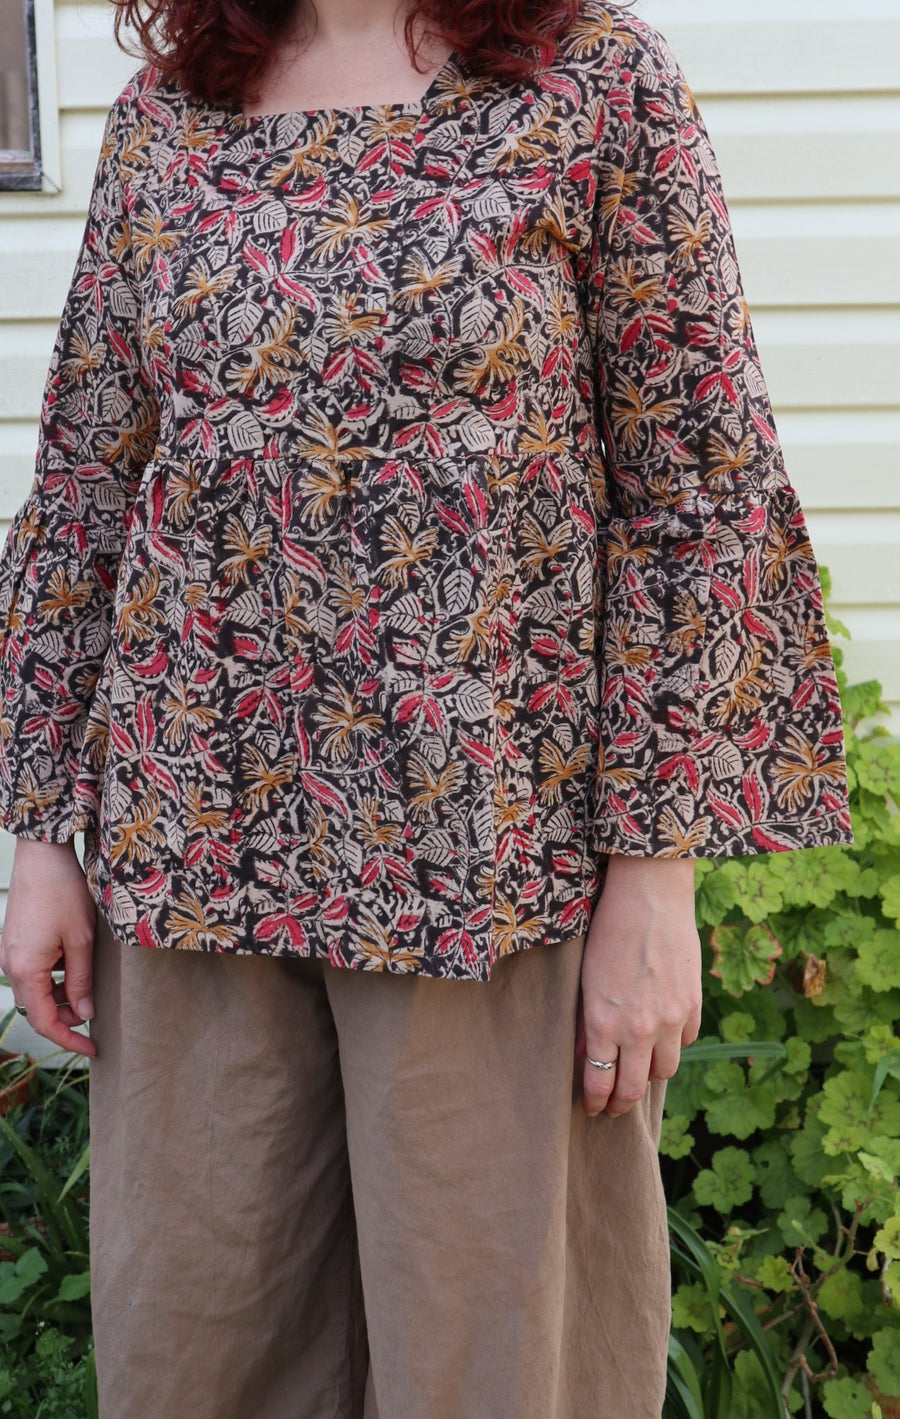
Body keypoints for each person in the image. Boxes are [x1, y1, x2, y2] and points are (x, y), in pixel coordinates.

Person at [0, 0, 853, 1414]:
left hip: (489, 861)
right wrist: (41, 837)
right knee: (206, 1342)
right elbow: (89, 479)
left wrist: (655, 880)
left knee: (495, 1362)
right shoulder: (169, 121)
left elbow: (697, 486)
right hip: (194, 840)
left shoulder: (592, 85)